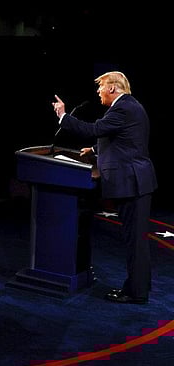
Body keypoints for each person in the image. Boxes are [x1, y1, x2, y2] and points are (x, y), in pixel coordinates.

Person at [52, 71, 157, 304]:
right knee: (135, 240)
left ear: (112, 88)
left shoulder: (123, 108)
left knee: (135, 241)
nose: (98, 91)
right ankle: (138, 287)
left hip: (132, 183)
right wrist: (94, 150)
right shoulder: (128, 107)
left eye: (101, 87)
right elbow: (124, 140)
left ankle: (136, 293)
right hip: (134, 181)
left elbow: (94, 130)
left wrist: (63, 116)